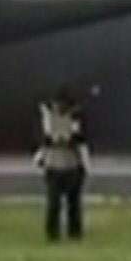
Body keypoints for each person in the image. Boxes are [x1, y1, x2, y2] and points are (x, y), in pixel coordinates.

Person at [35, 89, 89, 242]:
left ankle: (75, 233)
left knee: (74, 204)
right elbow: (44, 140)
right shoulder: (47, 118)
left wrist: (69, 138)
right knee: (54, 203)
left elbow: (80, 141)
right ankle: (53, 234)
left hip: (72, 165)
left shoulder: (76, 117)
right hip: (53, 166)